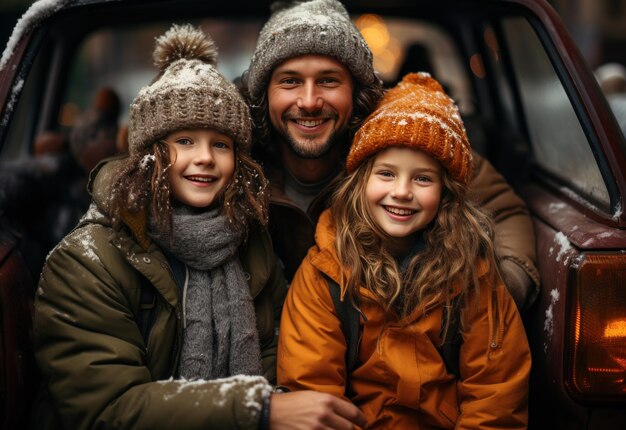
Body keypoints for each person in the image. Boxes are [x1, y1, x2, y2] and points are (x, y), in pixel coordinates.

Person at [33, 24, 297, 430]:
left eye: (221, 144)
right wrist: (255, 409)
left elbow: (276, 358)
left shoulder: (251, 242)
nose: (206, 157)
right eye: (185, 141)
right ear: (151, 155)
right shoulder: (89, 260)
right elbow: (106, 408)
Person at [243, 0, 539, 310]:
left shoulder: (398, 133)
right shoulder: (233, 155)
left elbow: (503, 212)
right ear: (265, 93)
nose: (309, 101)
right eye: (290, 81)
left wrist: (503, 291)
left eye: (328, 80)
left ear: (355, 90)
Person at [277, 72, 531, 429]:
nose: (401, 191)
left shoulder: (474, 276)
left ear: (446, 193)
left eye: (423, 178)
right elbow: (313, 389)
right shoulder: (325, 273)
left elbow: (496, 395)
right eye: (386, 174)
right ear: (359, 181)